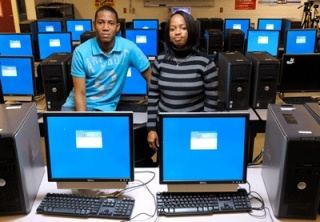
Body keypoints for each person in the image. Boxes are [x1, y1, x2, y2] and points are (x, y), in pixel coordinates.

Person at [147, 11, 219, 150]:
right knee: (167, 167)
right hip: (165, 128)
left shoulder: (205, 63)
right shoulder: (160, 60)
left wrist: (202, 132)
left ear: (191, 31)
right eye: (172, 29)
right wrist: (151, 128)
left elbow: (211, 103)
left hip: (193, 130)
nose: (177, 32)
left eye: (183, 28)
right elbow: (153, 96)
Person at [62, 6, 151, 111]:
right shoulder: (81, 52)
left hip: (104, 108)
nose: (105, 28)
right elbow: (80, 94)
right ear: (94, 25)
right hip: (76, 105)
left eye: (111, 23)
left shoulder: (129, 48)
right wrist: (84, 122)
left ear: (117, 27)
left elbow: (150, 78)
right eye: (101, 22)